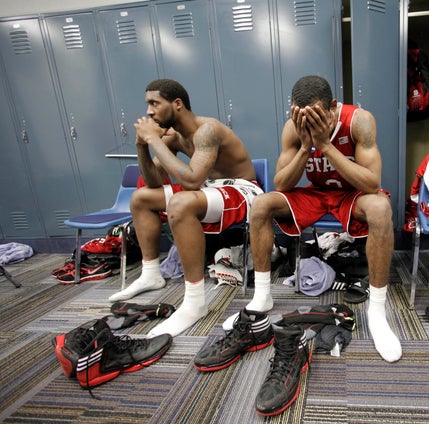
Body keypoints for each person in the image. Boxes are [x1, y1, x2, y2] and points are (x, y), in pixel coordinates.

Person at [224, 75, 402, 363]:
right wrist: (307, 146)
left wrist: (326, 146)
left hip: (351, 193)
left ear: (332, 107)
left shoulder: (360, 121)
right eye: (301, 118)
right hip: (316, 193)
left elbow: (371, 183)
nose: (309, 123)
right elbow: (281, 184)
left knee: (380, 208)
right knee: (261, 204)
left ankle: (377, 311)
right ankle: (263, 296)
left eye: (317, 116)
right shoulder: (294, 128)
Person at [108, 79, 261, 338]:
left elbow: (191, 180)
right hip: (210, 188)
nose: (149, 112)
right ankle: (151, 273)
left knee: (180, 202)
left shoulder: (207, 130)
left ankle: (194, 302)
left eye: (154, 103)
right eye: (148, 104)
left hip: (242, 190)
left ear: (177, 104)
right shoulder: (175, 137)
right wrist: (142, 145)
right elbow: (155, 180)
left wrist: (154, 139)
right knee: (141, 198)